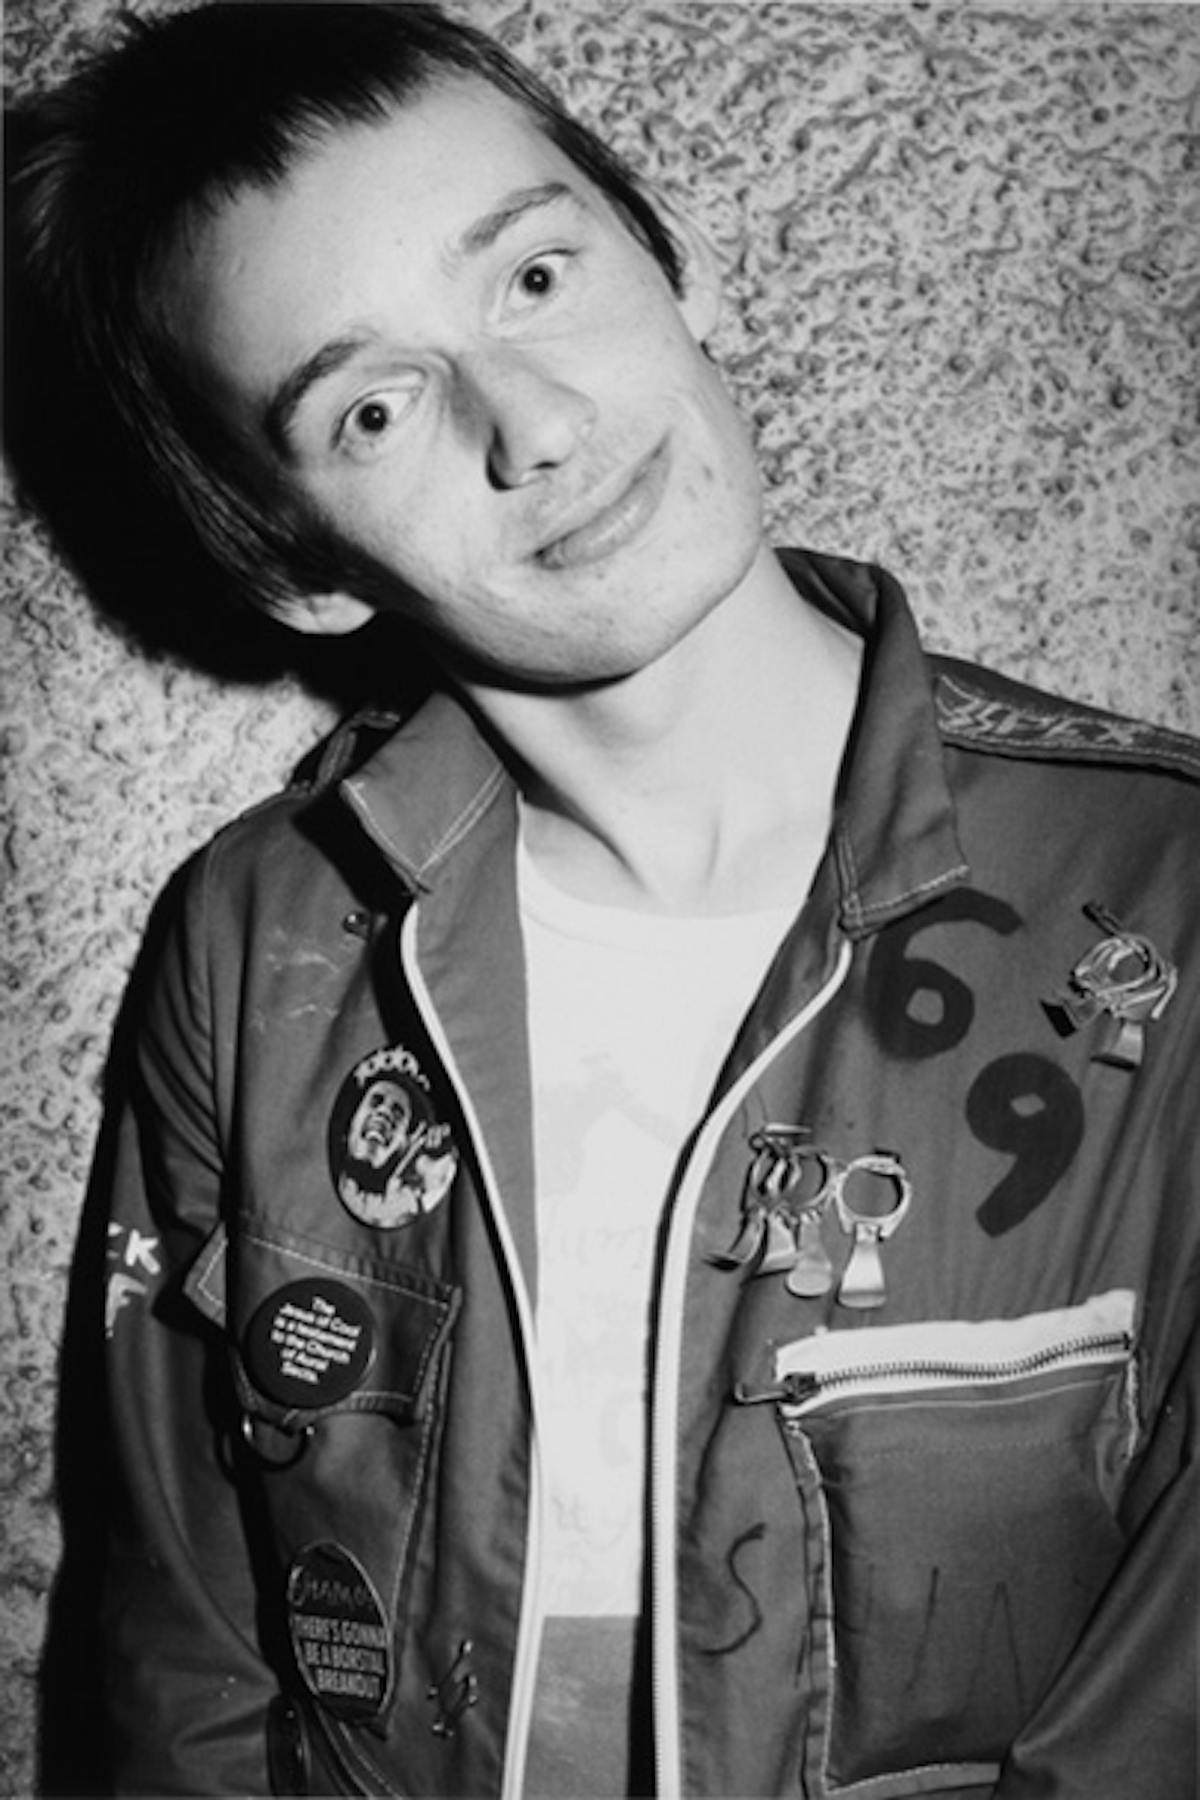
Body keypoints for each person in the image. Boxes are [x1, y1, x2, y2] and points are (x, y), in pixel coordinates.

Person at [13, 3, 1199, 1795]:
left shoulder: (1168, 894)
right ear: (293, 563)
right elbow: (179, 1663)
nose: (538, 426)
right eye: (375, 407)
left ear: (676, 260)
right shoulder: (257, 941)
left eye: (538, 279)